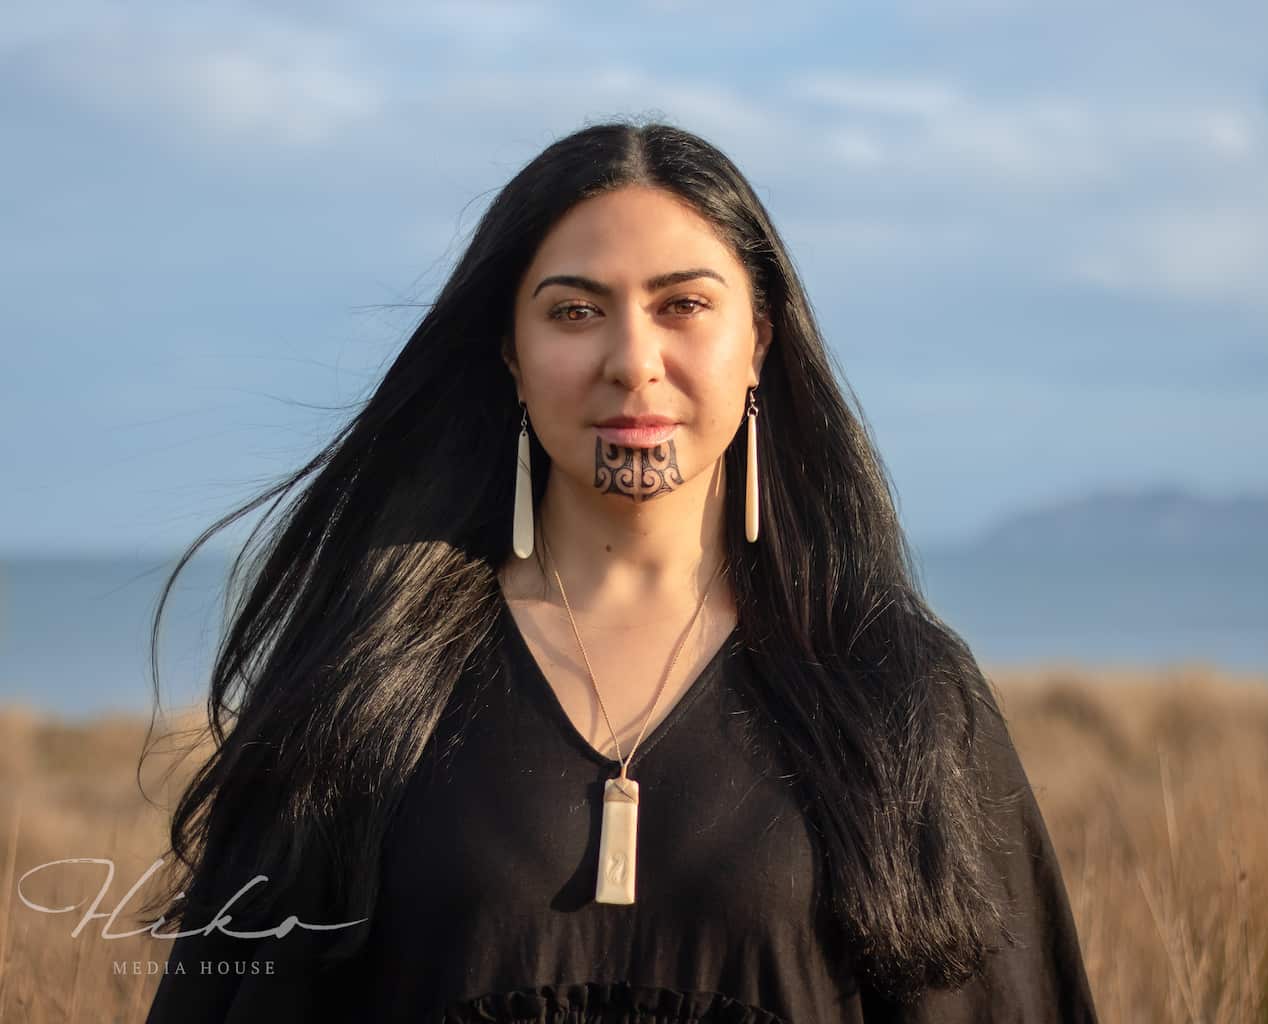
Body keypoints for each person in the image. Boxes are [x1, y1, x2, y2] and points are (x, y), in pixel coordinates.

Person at [139, 120, 1099, 1022]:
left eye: (683, 305)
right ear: (511, 355)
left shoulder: (899, 691)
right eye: (575, 311)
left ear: (760, 339)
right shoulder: (365, 686)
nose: (633, 361)